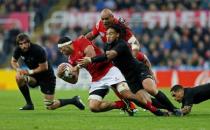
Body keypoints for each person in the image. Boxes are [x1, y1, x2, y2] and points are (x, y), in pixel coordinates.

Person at [79, 23, 182, 116]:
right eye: (107, 34)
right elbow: (106, 58)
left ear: (117, 35)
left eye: (111, 34)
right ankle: (166, 110)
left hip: (138, 69)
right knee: (144, 100)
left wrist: (91, 59)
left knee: (150, 89)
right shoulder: (107, 46)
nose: (108, 36)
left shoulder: (121, 44)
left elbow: (110, 55)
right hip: (129, 77)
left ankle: (174, 109)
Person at [57, 35, 166, 116]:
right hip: (96, 79)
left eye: (62, 49)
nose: (61, 52)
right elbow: (74, 80)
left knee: (127, 94)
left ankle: (156, 110)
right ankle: (122, 105)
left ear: (68, 44)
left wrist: (75, 67)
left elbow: (91, 55)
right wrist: (64, 76)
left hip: (109, 70)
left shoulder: (80, 40)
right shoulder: (71, 59)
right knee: (93, 107)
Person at [11, 33, 85, 111]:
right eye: (21, 44)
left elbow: (44, 67)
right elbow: (13, 61)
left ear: (29, 42)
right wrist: (18, 69)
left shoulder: (38, 50)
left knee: (50, 106)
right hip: (34, 77)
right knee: (19, 77)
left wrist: (29, 72)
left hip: (46, 77)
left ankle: (74, 100)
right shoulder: (18, 50)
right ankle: (29, 104)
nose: (23, 46)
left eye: (25, 43)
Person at [86, 8, 139, 111]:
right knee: (114, 84)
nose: (104, 21)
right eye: (103, 19)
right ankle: (130, 105)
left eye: (107, 19)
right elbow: (91, 35)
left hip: (124, 56)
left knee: (130, 83)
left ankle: (145, 102)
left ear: (112, 17)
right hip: (110, 56)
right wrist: (81, 42)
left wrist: (134, 55)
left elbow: (134, 41)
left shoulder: (121, 25)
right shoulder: (99, 25)